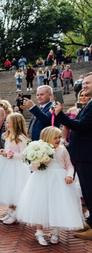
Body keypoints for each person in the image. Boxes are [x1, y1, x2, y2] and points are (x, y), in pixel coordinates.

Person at [16, 127, 83, 245]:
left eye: (59, 137)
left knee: (57, 205)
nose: (58, 140)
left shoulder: (62, 150)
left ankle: (55, 232)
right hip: (42, 180)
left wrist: (69, 175)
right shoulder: (40, 150)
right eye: (55, 138)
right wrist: (40, 162)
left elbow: (69, 166)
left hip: (59, 182)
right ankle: (39, 232)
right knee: (40, 205)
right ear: (47, 138)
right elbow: (31, 167)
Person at [54, 72, 92, 239]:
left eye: (88, 84)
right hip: (82, 155)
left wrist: (60, 114)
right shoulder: (89, 104)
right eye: (83, 83)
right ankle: (91, 224)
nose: (84, 86)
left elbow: (82, 126)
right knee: (88, 190)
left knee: (90, 191)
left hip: (88, 155)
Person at [0, 113, 30, 225]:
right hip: (6, 166)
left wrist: (10, 155)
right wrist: (3, 152)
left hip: (17, 167)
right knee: (9, 189)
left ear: (15, 123)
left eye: (8, 122)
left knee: (15, 190)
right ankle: (10, 211)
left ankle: (15, 214)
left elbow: (24, 155)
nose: (6, 124)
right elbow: (7, 149)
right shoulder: (8, 136)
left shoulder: (21, 138)